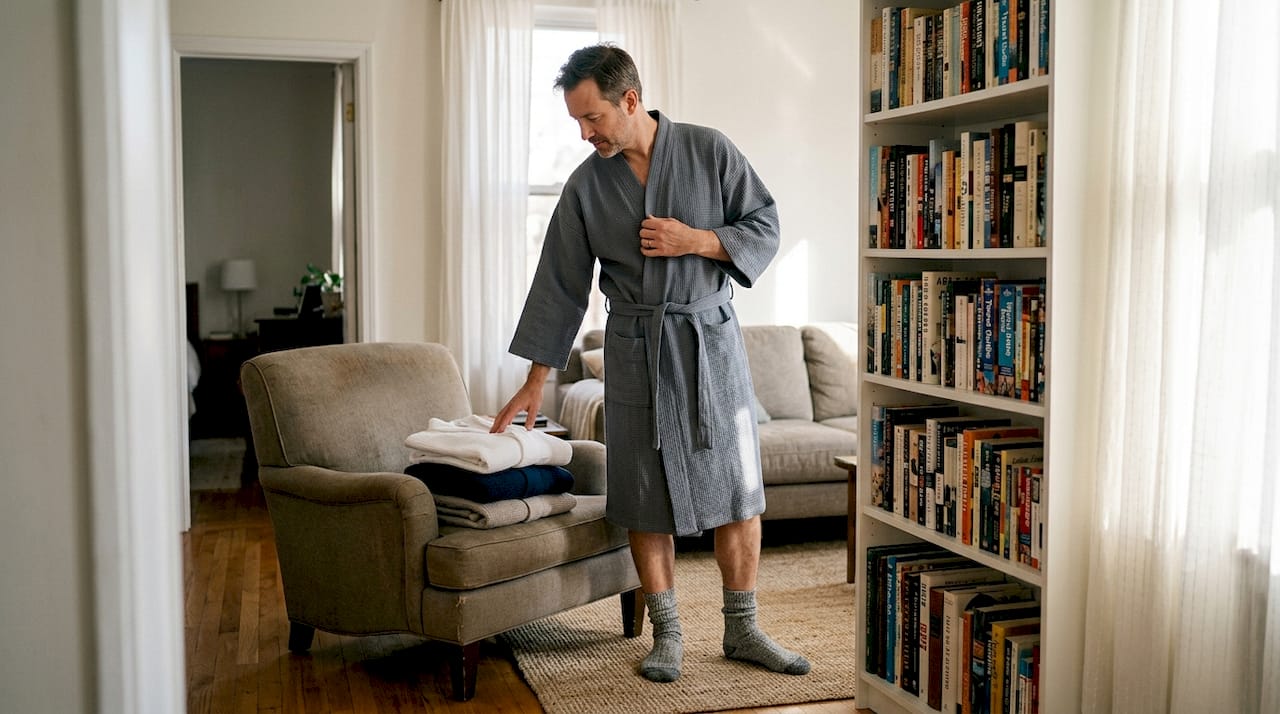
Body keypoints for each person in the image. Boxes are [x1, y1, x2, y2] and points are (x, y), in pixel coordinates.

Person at [490, 44, 809, 683]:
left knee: (739, 491)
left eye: (593, 118)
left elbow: (766, 223)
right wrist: (534, 381)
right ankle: (666, 634)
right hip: (635, 347)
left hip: (709, 341)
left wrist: (699, 241)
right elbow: (560, 282)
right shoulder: (586, 185)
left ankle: (743, 628)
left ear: (630, 101)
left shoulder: (709, 150)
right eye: (577, 121)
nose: (584, 133)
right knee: (642, 494)